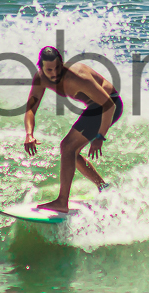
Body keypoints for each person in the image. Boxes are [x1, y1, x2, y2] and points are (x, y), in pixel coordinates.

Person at [23, 46, 123, 212]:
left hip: (109, 105)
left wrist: (100, 137)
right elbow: (30, 109)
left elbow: (109, 106)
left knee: (68, 147)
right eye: (49, 70)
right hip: (95, 107)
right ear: (41, 67)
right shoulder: (40, 78)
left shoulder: (78, 77)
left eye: (57, 68)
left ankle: (62, 202)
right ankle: (103, 187)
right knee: (69, 150)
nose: (54, 73)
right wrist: (29, 134)